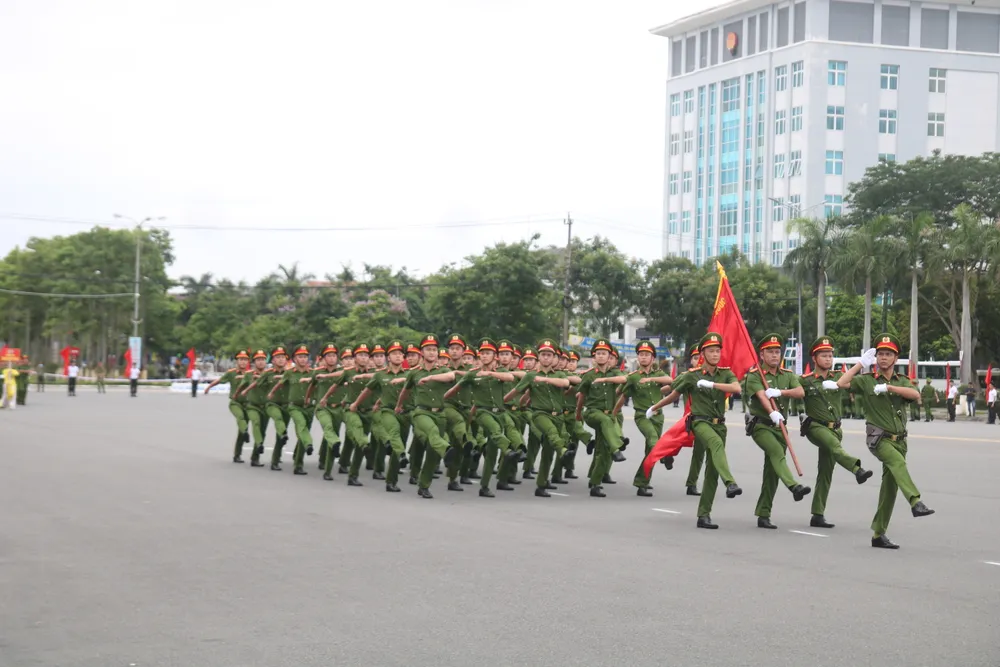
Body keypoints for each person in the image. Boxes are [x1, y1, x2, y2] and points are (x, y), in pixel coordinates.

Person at [837, 333, 935, 549]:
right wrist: (860, 364)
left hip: (900, 440)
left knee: (890, 488)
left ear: (895, 358)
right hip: (879, 439)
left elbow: (914, 394)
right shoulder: (867, 380)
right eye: (880, 354)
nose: (883, 357)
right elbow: (841, 383)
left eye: (888, 354)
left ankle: (878, 534)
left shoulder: (902, 380)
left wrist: (890, 388)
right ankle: (915, 502)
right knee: (898, 463)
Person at [646, 332, 743, 529]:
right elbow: (674, 394)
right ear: (702, 354)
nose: (715, 354)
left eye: (717, 351)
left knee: (712, 470)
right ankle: (730, 483)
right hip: (699, 422)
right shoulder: (692, 375)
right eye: (711, 351)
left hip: (719, 424)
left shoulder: (725, 373)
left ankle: (704, 515)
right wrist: (655, 407)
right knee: (715, 443)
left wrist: (713, 384)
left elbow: (736, 388)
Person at [798, 336, 873, 529]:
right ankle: (857, 469)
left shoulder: (839, 377)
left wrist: (860, 364)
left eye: (830, 355)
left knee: (826, 472)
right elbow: (789, 390)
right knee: (834, 447)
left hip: (835, 428)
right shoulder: (805, 380)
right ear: (814, 358)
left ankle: (817, 514)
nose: (828, 359)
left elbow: (851, 382)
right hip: (816, 427)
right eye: (823, 355)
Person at [744, 333, 812, 530]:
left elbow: (800, 392)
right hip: (761, 425)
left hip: (780, 427)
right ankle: (794, 486)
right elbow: (761, 396)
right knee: (776, 452)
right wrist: (772, 411)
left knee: (772, 473)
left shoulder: (787, 375)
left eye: (777, 351)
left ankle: (763, 514)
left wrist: (781, 392)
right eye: (770, 352)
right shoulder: (755, 375)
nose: (774, 355)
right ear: (761, 354)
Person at [616, 339, 672, 497]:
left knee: (650, 451)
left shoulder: (658, 374)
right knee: (653, 439)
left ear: (653, 358)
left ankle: (642, 483)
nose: (644, 357)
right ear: (637, 358)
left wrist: (651, 379)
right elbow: (621, 395)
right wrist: (613, 413)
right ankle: (664, 455)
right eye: (641, 354)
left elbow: (670, 381)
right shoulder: (633, 377)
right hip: (642, 416)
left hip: (658, 416)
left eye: (647, 355)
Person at [204, 349, 252, 462]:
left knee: (241, 432)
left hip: (248, 404)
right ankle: (245, 432)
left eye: (245, 360)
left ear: (248, 361)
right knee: (240, 417)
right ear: (237, 361)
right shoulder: (231, 373)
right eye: (241, 359)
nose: (243, 362)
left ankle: (237, 454)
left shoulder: (251, 374)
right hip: (235, 403)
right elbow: (219, 380)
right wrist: (209, 387)